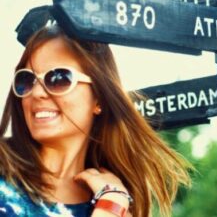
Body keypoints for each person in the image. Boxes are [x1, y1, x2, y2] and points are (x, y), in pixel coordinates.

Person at [0, 24, 190, 217]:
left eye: (58, 78)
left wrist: (113, 202)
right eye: (26, 80)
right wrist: (110, 207)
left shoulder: (120, 207)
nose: (37, 93)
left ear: (98, 98)